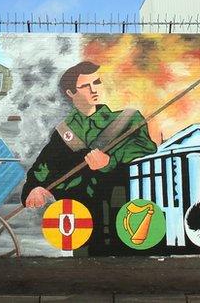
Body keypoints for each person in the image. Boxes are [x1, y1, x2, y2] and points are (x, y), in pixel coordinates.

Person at [21, 61, 157, 254]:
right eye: (85, 86)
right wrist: (33, 188)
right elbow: (43, 167)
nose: (94, 89)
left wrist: (111, 161)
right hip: (82, 222)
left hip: (125, 216)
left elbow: (147, 148)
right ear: (70, 93)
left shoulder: (128, 120)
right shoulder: (64, 132)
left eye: (97, 82)